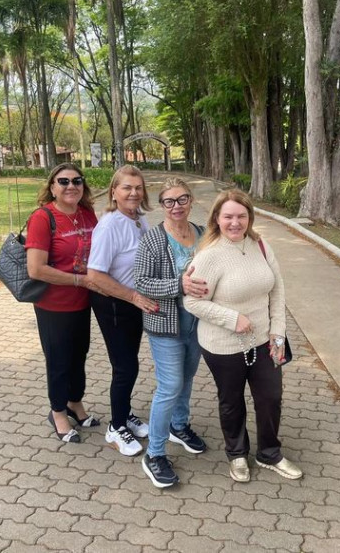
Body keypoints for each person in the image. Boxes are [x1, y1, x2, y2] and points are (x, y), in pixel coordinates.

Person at [184, 189, 302, 482]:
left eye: (241, 216)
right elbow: (192, 302)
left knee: (271, 397)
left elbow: (277, 289)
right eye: (228, 216)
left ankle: (269, 454)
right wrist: (232, 318)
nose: (235, 222)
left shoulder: (260, 245)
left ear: (249, 217)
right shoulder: (209, 256)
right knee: (231, 400)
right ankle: (237, 454)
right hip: (222, 345)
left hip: (265, 340)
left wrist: (278, 333)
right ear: (216, 218)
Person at [134, 178, 208, 488]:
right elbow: (142, 283)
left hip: (198, 323)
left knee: (187, 378)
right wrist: (179, 285)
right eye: (169, 201)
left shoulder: (204, 234)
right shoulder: (153, 239)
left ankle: (180, 426)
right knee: (170, 386)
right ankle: (154, 454)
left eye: (182, 199)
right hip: (166, 324)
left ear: (191, 201)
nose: (176, 206)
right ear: (161, 205)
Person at [87, 165, 158, 457]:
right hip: (115, 304)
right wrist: (131, 295)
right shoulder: (110, 225)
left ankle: (125, 412)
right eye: (126, 187)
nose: (133, 193)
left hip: (133, 304)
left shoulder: (139, 219)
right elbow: (94, 275)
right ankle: (115, 428)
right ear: (113, 191)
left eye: (138, 188)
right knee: (125, 366)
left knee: (131, 364)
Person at [26, 162, 100, 443]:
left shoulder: (87, 215)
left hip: (84, 302)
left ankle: (74, 403)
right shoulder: (43, 218)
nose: (72, 186)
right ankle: (57, 411)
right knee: (58, 360)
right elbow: (36, 269)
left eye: (77, 181)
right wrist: (78, 281)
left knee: (79, 355)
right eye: (64, 181)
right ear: (53, 187)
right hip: (54, 305)